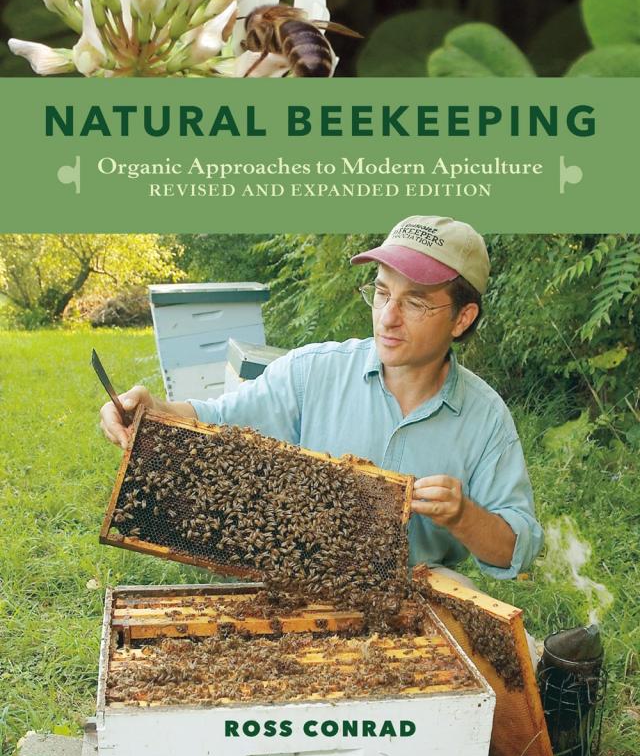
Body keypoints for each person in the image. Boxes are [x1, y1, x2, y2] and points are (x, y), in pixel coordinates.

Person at [100, 215, 543, 582]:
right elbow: (218, 420)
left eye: (416, 303)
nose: (387, 317)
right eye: (382, 292)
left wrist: (463, 515)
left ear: (462, 318)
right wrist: (153, 412)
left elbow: (516, 550)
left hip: (416, 589)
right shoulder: (314, 370)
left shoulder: (486, 419)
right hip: (299, 579)